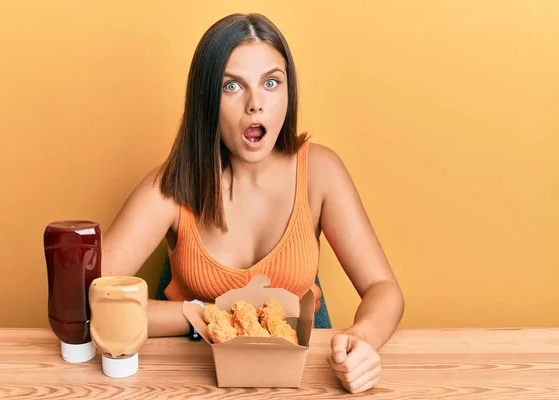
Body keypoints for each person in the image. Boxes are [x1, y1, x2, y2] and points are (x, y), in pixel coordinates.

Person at [101, 12, 404, 394]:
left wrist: (364, 338)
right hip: (190, 374)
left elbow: (383, 288)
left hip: (303, 374)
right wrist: (202, 315)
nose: (255, 104)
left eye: (271, 82)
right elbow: (93, 301)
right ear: (206, 99)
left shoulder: (321, 172)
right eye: (232, 86)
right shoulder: (171, 185)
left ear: (288, 92)